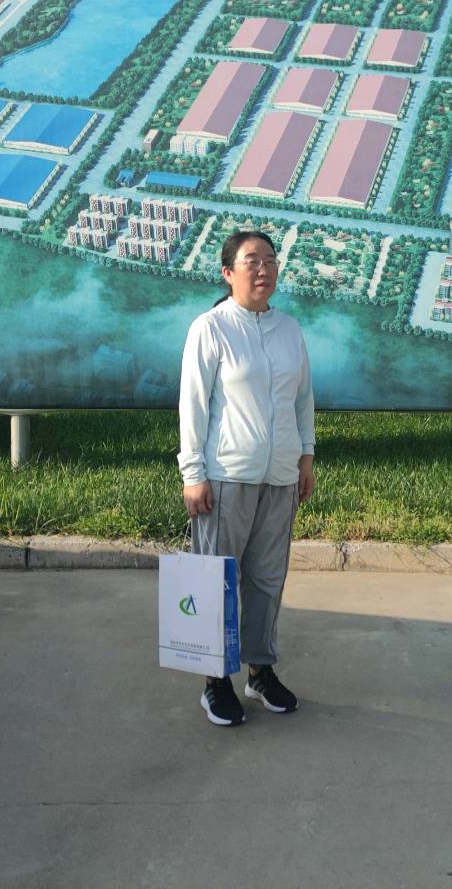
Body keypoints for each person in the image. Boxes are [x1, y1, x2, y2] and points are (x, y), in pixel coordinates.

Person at [178, 230, 316, 727]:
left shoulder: (289, 330)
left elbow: (303, 399)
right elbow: (192, 405)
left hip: (280, 476)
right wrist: (193, 473)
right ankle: (215, 681)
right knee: (216, 579)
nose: (263, 270)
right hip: (227, 476)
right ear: (228, 272)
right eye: (252, 261)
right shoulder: (211, 328)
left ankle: (261, 671)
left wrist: (306, 456)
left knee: (267, 578)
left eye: (270, 260)